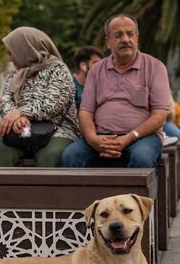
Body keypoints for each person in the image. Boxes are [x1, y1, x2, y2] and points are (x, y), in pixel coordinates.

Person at [61, 13, 171, 169]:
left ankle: (137, 195)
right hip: (101, 137)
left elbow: (160, 115)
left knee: (142, 157)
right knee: (70, 155)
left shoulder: (155, 67)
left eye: (130, 34)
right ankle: (81, 195)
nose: (125, 39)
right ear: (108, 42)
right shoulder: (96, 71)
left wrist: (128, 138)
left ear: (137, 37)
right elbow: (85, 112)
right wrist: (94, 140)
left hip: (142, 138)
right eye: (118, 35)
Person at [0, 27, 79, 167]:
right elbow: (5, 100)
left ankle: (44, 190)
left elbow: (52, 103)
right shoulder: (15, 74)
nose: (9, 59)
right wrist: (17, 119)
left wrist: (21, 113)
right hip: (19, 129)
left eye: (11, 53)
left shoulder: (58, 70)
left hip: (58, 129)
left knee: (50, 155)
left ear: (26, 49)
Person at [72, 46, 103, 110]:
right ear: (83, 66)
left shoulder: (98, 85)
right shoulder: (69, 87)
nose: (101, 67)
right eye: (96, 63)